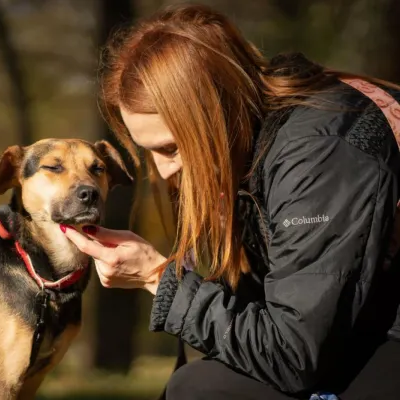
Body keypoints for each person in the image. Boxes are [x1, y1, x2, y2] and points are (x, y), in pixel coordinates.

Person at [60, 3, 400, 400]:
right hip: (350, 336)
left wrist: (158, 278)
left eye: (172, 147)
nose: (165, 170)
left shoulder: (318, 153)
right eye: (149, 150)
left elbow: (293, 355)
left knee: (199, 391)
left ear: (217, 114)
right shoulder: (251, 143)